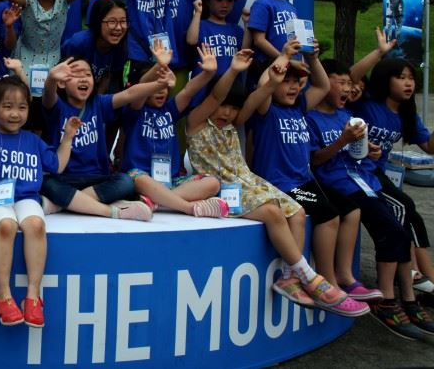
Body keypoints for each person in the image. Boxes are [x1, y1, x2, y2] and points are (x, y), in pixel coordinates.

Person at [187, 49, 334, 310]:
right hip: (221, 189)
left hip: (249, 182)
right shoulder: (196, 122)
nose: (228, 113)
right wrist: (234, 70)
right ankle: (308, 275)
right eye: (224, 106)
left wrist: (272, 83)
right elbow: (217, 95)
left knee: (297, 212)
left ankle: (289, 278)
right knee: (272, 212)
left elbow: (256, 97)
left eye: (234, 108)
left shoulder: (234, 124)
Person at [310, 56, 432, 337]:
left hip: (365, 181)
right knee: (393, 227)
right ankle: (387, 300)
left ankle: (409, 298)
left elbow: (359, 152)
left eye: (349, 84)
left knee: (401, 225)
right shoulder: (326, 114)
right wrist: (378, 53)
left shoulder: (346, 116)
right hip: (344, 186)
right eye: (341, 83)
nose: (348, 88)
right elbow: (316, 160)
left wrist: (369, 150)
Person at [247, 42, 369, 316]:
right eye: (286, 81)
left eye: (296, 82)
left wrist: (313, 59)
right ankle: (325, 282)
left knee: (348, 208)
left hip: (304, 180)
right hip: (281, 184)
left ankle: (340, 277)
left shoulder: (299, 106)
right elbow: (264, 85)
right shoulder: (266, 110)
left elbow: (323, 86)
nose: (293, 87)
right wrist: (284, 56)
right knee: (328, 215)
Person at [0, 77, 79, 327]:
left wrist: (68, 138)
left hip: (26, 198)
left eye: (22, 107)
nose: (15, 114)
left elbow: (57, 166)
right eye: (7, 106)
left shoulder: (33, 140)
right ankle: (4, 296)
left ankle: (33, 296)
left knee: (36, 225)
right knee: (7, 225)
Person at [349, 49, 434, 309]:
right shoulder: (367, 102)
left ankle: (426, 277)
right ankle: (406, 274)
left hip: (376, 173)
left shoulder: (406, 114)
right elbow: (352, 77)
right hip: (356, 172)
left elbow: (429, 147)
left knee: (412, 213)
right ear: (385, 79)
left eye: (411, 78)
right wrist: (379, 53)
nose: (409, 83)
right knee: (402, 208)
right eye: (401, 77)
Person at [41, 57, 168, 221]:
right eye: (76, 75)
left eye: (88, 74)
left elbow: (129, 93)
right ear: (62, 83)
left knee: (125, 181)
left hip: (96, 179)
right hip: (63, 179)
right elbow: (48, 95)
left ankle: (63, 203)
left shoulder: (98, 103)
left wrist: (160, 84)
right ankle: (107, 209)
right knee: (46, 183)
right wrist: (51, 79)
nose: (83, 79)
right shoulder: (56, 107)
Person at [121, 44, 226, 217]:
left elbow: (188, 91)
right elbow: (140, 87)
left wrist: (208, 73)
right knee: (139, 179)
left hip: (171, 181)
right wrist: (159, 65)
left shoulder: (170, 109)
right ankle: (187, 207)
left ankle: (158, 202)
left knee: (213, 183)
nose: (160, 91)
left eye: (164, 86)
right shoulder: (134, 110)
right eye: (156, 87)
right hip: (140, 177)